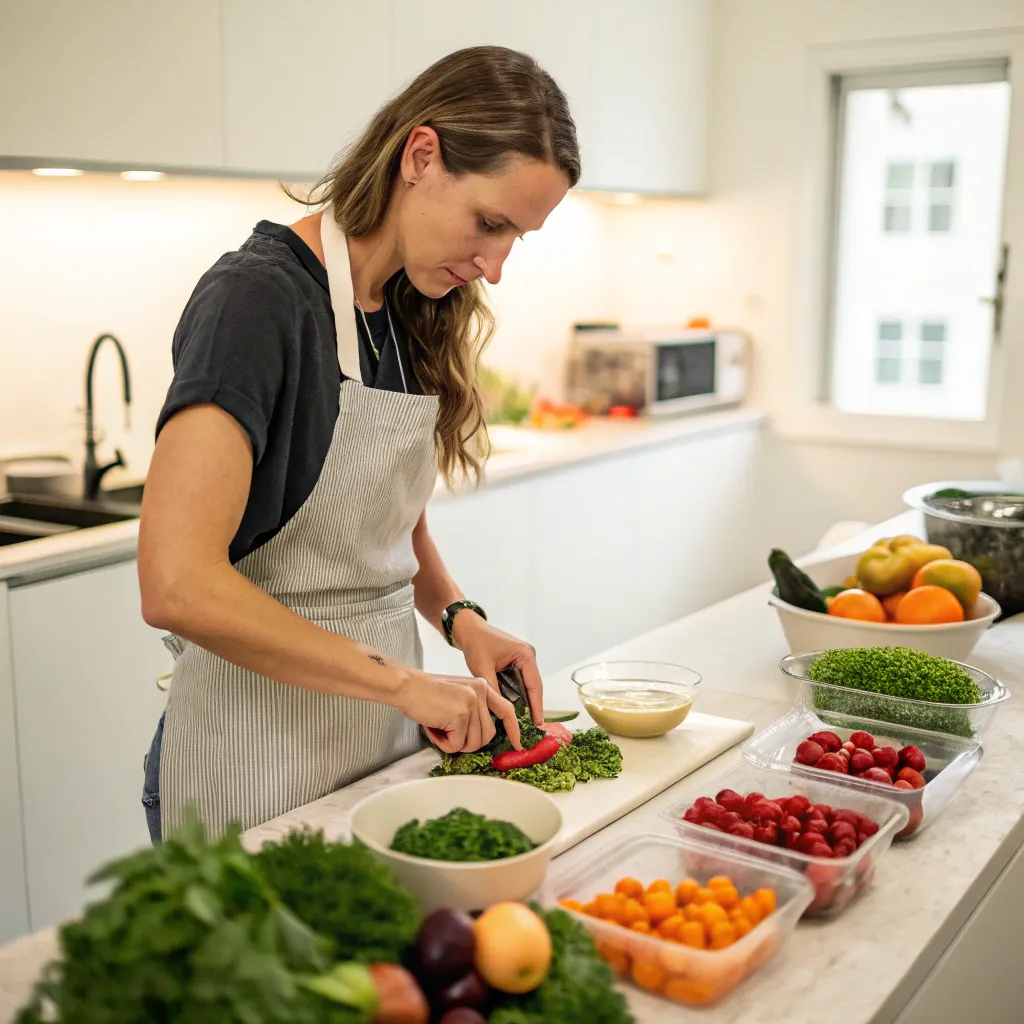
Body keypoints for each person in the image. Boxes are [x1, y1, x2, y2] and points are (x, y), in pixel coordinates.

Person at [137, 45, 580, 842]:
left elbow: (379, 518)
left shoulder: (403, 305)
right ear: (421, 155)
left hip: (371, 738)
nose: (495, 265)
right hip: (249, 751)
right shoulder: (256, 301)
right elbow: (177, 584)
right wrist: (404, 684)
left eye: (516, 237)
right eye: (490, 223)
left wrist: (460, 618)